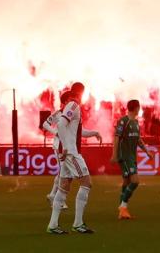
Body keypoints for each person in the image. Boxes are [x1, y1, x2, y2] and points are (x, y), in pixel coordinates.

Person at [41, 82, 101, 235]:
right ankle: (78, 223)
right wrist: (66, 146)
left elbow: (75, 131)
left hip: (67, 152)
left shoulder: (70, 107)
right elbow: (60, 124)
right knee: (86, 183)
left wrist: (94, 132)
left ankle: (53, 225)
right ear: (81, 93)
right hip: (71, 153)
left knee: (63, 188)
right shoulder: (73, 105)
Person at [115, 99, 151, 220]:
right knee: (135, 181)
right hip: (124, 156)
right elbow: (116, 138)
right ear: (136, 108)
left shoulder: (136, 122)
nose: (140, 109)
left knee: (126, 182)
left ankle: (122, 212)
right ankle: (123, 206)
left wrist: (147, 151)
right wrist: (114, 154)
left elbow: (138, 139)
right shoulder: (123, 121)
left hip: (132, 156)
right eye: (139, 107)